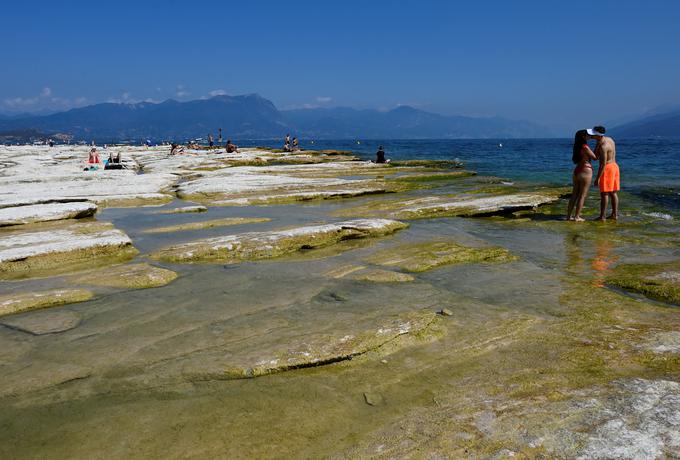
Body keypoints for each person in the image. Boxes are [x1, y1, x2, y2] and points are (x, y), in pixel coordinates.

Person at [589, 126, 620, 220]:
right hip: (615, 166)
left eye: (593, 134)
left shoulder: (603, 147)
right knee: (613, 192)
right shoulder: (609, 139)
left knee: (604, 193)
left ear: (597, 135)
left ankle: (602, 216)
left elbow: (601, 164)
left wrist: (597, 179)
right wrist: (597, 145)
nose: (591, 135)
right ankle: (615, 214)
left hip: (607, 168)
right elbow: (596, 156)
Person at [566, 130, 597, 221]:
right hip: (586, 170)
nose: (589, 136)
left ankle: (568, 216)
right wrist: (597, 147)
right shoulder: (585, 147)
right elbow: (595, 157)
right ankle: (577, 217)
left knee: (574, 194)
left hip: (577, 170)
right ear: (583, 137)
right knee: (582, 195)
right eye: (587, 135)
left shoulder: (576, 147)